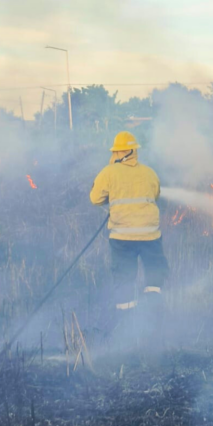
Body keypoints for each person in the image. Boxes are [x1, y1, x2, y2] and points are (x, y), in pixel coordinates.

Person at [90, 131, 168, 341]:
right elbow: (156, 195)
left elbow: (95, 198)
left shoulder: (109, 172)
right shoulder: (150, 173)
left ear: (117, 152)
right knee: (154, 279)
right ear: (134, 152)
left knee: (124, 280)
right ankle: (154, 326)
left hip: (123, 238)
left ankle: (127, 329)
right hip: (151, 236)